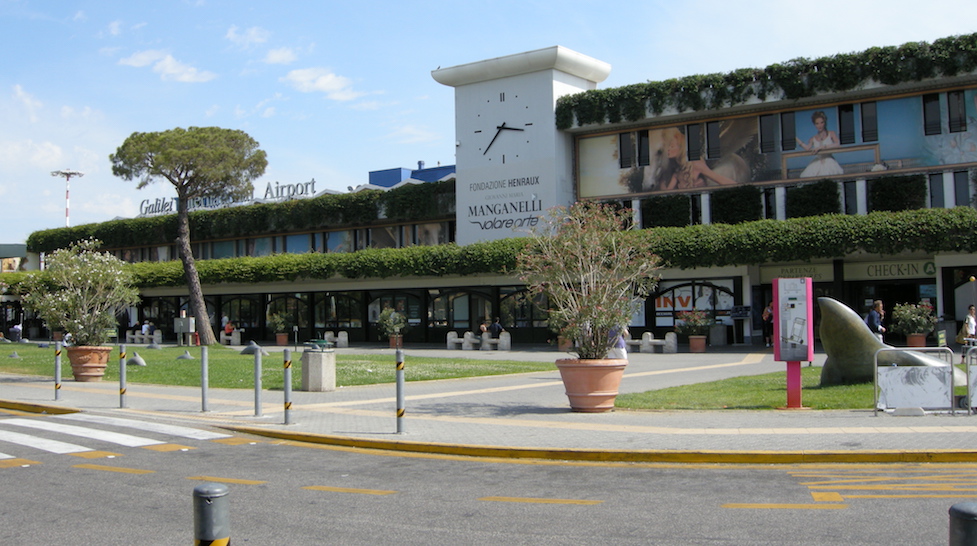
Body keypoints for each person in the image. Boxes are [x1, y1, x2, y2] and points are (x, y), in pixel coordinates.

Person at [654, 127, 741, 190]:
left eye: (671, 146)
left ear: (681, 147)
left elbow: (717, 178)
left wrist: (740, 188)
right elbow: (667, 192)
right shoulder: (677, 171)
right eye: (667, 146)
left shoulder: (696, 163)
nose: (668, 149)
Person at [796, 111, 844, 178]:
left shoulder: (831, 133)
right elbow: (807, 148)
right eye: (817, 123)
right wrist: (797, 139)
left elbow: (837, 144)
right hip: (817, 162)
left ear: (824, 122)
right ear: (814, 125)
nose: (820, 125)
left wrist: (822, 147)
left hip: (829, 162)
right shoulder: (813, 138)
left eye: (821, 122)